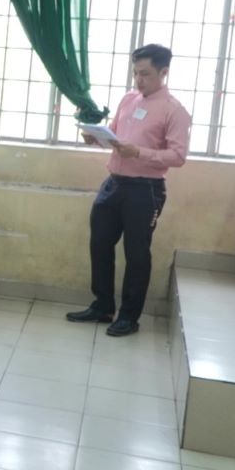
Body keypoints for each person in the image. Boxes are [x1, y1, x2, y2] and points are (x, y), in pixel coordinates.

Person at [66, 44, 191, 337]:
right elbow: (115, 135)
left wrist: (140, 153)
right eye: (135, 73)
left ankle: (128, 316)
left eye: (145, 74)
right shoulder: (128, 99)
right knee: (99, 243)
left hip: (145, 189)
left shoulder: (175, 110)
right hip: (114, 183)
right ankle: (102, 306)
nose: (139, 79)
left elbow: (178, 156)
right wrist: (94, 138)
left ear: (164, 72)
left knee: (136, 253)